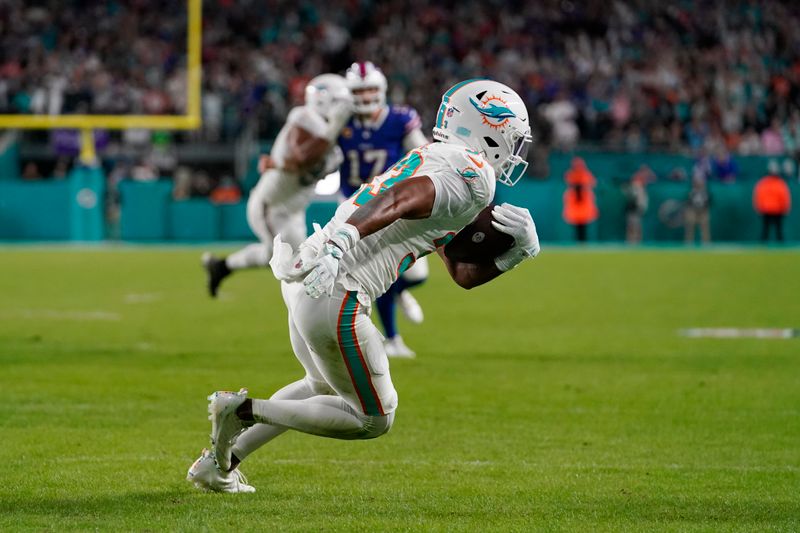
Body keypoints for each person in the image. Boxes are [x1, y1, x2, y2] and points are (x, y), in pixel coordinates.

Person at [187, 79, 540, 493]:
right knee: (374, 418)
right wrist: (344, 240)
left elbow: (461, 274)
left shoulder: (438, 158)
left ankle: (218, 464)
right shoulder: (473, 174)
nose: (515, 150)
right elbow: (400, 198)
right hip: (338, 290)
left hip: (311, 283)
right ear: (486, 128)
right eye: (511, 136)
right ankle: (243, 410)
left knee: (319, 387)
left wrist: (515, 254)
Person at [201, 74, 353, 297]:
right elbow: (300, 159)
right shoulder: (304, 118)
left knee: (278, 258)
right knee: (294, 267)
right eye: (341, 103)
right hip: (271, 206)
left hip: (294, 208)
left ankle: (221, 267)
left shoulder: (335, 140)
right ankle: (308, 318)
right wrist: (332, 131)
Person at [338, 61, 430, 358]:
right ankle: (392, 340)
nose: (365, 97)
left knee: (417, 275)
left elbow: (424, 152)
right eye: (359, 90)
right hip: (355, 210)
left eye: (371, 90)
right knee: (378, 273)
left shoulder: (399, 119)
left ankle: (399, 291)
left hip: (393, 205)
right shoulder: (340, 121)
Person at [754, 163, 792, 242]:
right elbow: (759, 196)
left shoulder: (779, 183)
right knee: (767, 230)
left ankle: (779, 246)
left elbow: (784, 197)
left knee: (777, 230)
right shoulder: (765, 183)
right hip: (768, 209)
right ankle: (764, 246)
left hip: (776, 210)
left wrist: (785, 208)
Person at [562, 157, 598, 242]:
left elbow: (592, 183)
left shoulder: (585, 175)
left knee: (583, 226)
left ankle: (582, 241)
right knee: (577, 226)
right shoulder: (572, 175)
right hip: (577, 204)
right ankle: (579, 241)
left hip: (582, 204)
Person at [625, 165, 653, 244]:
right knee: (632, 226)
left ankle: (636, 241)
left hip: (637, 209)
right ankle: (631, 241)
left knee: (637, 226)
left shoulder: (641, 188)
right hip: (632, 209)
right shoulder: (635, 186)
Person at [684, 171, 712, 244]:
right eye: (696, 180)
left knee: (705, 226)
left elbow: (709, 203)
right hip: (693, 211)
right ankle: (688, 243)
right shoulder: (691, 192)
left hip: (703, 211)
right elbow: (688, 203)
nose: (698, 182)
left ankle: (706, 243)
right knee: (690, 224)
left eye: (700, 180)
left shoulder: (706, 192)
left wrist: (703, 209)